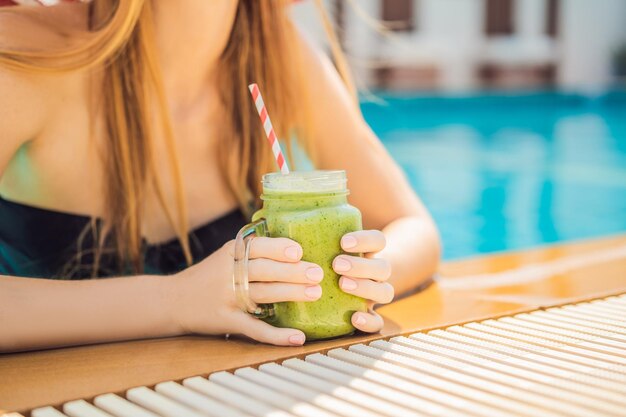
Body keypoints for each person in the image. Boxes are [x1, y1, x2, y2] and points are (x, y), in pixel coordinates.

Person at [0, 0, 440, 352]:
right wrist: (174, 302)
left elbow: (413, 228)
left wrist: (364, 277)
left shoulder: (276, 51)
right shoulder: (22, 53)